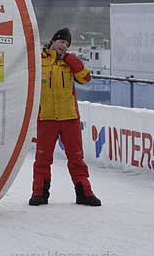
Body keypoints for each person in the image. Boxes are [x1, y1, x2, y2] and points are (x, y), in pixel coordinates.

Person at [30, 27, 101, 207]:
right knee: (42, 158)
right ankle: (39, 193)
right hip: (46, 117)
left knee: (76, 158)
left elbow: (86, 78)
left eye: (67, 44)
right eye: (61, 42)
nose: (63, 46)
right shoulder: (39, 59)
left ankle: (84, 193)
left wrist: (72, 60)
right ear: (53, 41)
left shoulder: (70, 62)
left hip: (69, 117)